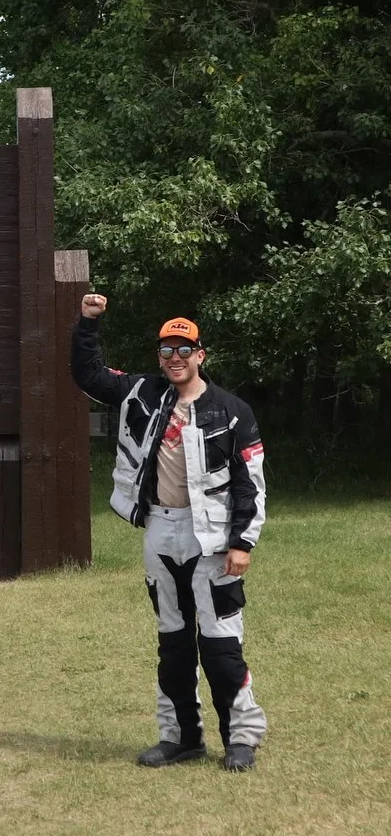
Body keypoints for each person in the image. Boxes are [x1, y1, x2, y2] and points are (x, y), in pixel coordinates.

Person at [71, 294, 268, 771]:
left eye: (184, 350)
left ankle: (241, 740)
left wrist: (243, 542)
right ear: (159, 357)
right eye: (166, 351)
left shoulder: (232, 410)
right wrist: (87, 324)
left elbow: (251, 483)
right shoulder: (142, 392)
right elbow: (89, 375)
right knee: (173, 644)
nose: (175, 359)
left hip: (215, 541)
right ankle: (180, 737)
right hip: (161, 533)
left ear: (201, 354)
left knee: (221, 647)